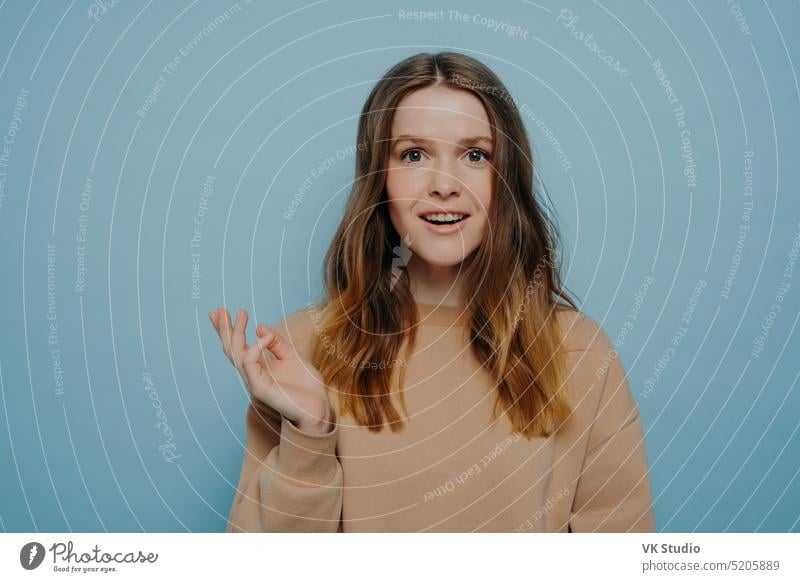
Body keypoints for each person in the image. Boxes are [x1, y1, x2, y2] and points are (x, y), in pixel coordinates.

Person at [209, 51, 656, 533]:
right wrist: (311, 434)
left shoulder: (579, 352)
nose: (444, 185)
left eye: (475, 155)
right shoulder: (299, 349)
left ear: (504, 179)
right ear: (379, 177)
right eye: (414, 154)